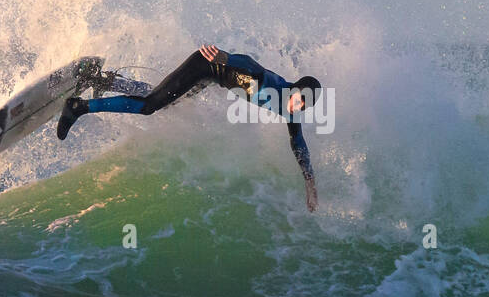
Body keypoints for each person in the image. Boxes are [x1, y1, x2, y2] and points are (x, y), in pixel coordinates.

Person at [58, 44, 322, 211]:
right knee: (150, 105)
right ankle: (80, 107)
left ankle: (102, 80)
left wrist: (309, 183)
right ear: (294, 88)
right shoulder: (275, 86)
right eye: (297, 101)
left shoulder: (289, 108)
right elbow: (252, 65)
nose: (295, 108)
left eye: (302, 108)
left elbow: (298, 143)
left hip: (210, 77)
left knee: (163, 98)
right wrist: (225, 57)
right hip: (205, 63)